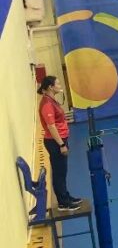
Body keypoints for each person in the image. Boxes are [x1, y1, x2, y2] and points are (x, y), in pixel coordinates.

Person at [37, 76, 81, 210]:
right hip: (55, 142)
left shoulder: (52, 100)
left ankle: (66, 196)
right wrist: (61, 144)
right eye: (57, 83)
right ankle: (63, 202)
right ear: (50, 87)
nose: (60, 85)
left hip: (60, 140)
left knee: (62, 172)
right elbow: (51, 126)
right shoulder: (47, 104)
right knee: (59, 173)